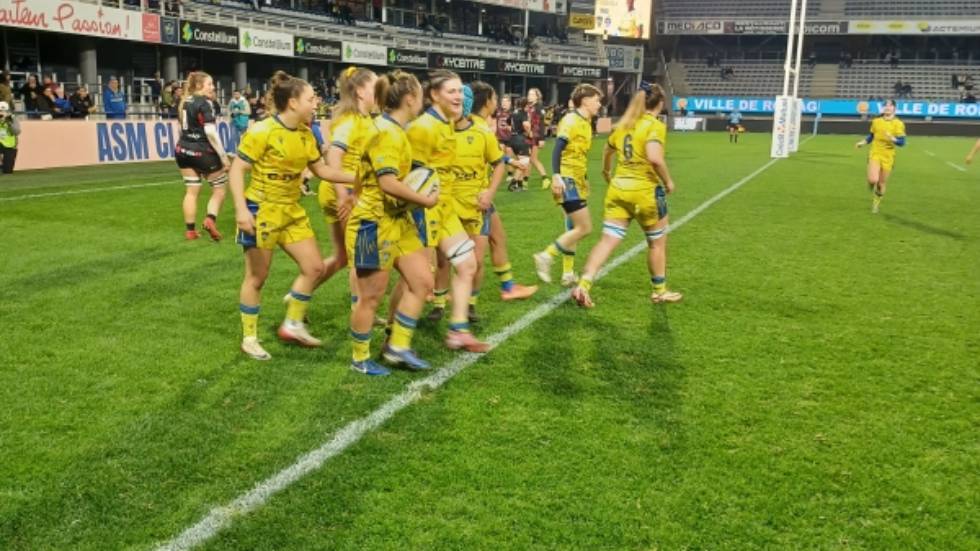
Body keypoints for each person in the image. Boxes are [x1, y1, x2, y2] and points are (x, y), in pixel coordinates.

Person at [229, 71, 355, 361]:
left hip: (292, 210)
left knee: (313, 268)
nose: (316, 103)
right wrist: (240, 210)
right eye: (311, 99)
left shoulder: (306, 134)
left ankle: (293, 324)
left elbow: (322, 171)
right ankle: (249, 337)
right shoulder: (262, 131)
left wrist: (359, 177)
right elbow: (237, 169)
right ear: (293, 102)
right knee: (257, 277)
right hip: (261, 210)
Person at [345, 70, 439, 375]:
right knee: (371, 296)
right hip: (374, 224)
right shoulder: (386, 132)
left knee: (423, 281)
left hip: (398, 219)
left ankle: (397, 347)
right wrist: (424, 199)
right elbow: (387, 182)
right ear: (410, 99)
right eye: (420, 96)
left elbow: (364, 173)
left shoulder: (395, 129)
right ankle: (360, 358)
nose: (422, 101)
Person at [572, 82, 681, 308]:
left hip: (618, 189)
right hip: (644, 192)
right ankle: (659, 291)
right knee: (656, 243)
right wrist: (668, 181)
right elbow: (654, 158)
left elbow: (607, 149)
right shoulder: (654, 125)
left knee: (607, 240)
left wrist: (605, 170)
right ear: (660, 103)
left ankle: (583, 284)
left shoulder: (624, 124)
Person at [406, 69, 489, 354]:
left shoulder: (448, 124)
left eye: (459, 91)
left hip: (445, 210)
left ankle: (458, 331)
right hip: (423, 211)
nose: (458, 96)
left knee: (467, 265)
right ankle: (393, 334)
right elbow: (409, 174)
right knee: (416, 280)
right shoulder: (423, 128)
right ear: (433, 95)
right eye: (451, 91)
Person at [446, 81, 537, 323]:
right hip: (472, 196)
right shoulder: (475, 126)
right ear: (486, 100)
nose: (497, 102)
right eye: (495, 97)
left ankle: (506, 286)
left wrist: (510, 163)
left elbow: (492, 155)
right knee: (473, 255)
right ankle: (461, 301)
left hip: (478, 192)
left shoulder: (478, 126)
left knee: (498, 238)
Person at [314, 66, 377, 314]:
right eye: (376, 86)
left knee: (342, 258)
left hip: (341, 192)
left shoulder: (363, 119)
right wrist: (345, 196)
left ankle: (300, 295)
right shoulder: (351, 121)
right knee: (357, 259)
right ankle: (360, 312)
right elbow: (334, 154)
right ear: (361, 92)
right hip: (345, 194)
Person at [532, 83, 604, 287]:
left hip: (577, 179)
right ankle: (546, 255)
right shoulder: (571, 120)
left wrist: (585, 179)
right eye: (597, 100)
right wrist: (556, 176)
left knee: (572, 226)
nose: (599, 104)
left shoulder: (586, 122)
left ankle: (567, 273)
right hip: (567, 178)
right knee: (585, 227)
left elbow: (579, 154)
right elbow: (557, 149)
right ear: (586, 100)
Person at [175, 72, 229, 241]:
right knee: (219, 189)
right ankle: (210, 219)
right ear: (199, 86)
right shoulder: (204, 103)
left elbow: (180, 129)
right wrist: (224, 157)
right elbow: (211, 133)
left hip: (182, 150)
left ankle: (190, 231)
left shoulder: (184, 101)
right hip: (203, 152)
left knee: (191, 191)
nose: (213, 87)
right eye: (210, 84)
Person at [855, 99, 906, 214]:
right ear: (883, 108)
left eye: (890, 105)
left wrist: (893, 139)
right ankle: (871, 182)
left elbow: (902, 142)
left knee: (881, 183)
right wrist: (862, 143)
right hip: (875, 152)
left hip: (888, 156)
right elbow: (871, 136)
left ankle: (876, 203)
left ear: (894, 108)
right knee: (873, 179)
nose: (887, 107)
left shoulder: (898, 123)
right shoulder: (876, 121)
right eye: (885, 105)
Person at [525, 88, 548, 188]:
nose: (529, 96)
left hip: (536, 136)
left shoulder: (539, 107)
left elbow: (542, 124)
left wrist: (542, 138)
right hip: (528, 136)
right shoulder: (529, 107)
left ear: (537, 97)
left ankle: (545, 178)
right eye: (529, 94)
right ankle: (525, 180)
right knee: (528, 159)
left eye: (532, 94)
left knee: (533, 159)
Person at [507, 98, 532, 191]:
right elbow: (526, 125)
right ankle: (513, 183)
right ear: (525, 106)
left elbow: (508, 122)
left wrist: (513, 130)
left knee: (520, 161)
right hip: (520, 139)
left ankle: (520, 185)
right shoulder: (523, 113)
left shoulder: (514, 112)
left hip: (512, 139)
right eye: (528, 106)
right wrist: (529, 133)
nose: (529, 108)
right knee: (525, 162)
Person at [0, 101, 21, 174]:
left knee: (8, 171)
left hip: (10, 145)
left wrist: (9, 122)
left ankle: (4, 166)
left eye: (3, 111)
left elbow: (17, 132)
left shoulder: (12, 119)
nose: (1, 113)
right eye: (0, 111)